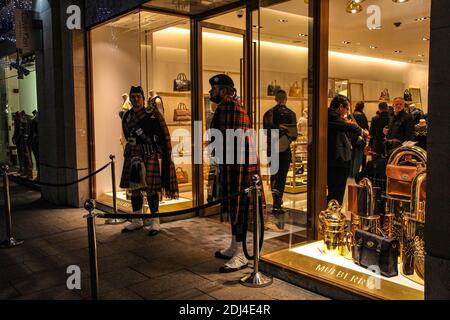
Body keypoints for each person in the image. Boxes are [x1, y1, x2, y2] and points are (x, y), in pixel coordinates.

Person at [208, 74, 262, 273]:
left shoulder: (229, 107)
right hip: (234, 164)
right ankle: (234, 245)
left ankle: (240, 254)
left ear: (222, 91)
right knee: (234, 205)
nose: (211, 93)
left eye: (213, 90)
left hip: (237, 166)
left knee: (238, 206)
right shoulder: (233, 106)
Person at [120, 86, 179, 236]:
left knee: (152, 189)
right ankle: (136, 220)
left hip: (149, 154)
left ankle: (155, 222)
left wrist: (158, 149)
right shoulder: (127, 116)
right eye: (133, 97)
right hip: (133, 155)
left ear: (143, 99)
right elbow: (127, 135)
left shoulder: (152, 114)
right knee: (135, 189)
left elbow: (162, 133)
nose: (135, 99)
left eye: (138, 96)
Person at [327, 95, 367, 204]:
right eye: (347, 108)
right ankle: (333, 212)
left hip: (335, 159)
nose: (347, 112)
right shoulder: (331, 116)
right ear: (340, 107)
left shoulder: (333, 116)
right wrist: (361, 131)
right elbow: (348, 126)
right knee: (337, 190)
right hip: (336, 160)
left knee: (336, 189)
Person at [263, 90, 298, 215]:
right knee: (282, 177)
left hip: (272, 148)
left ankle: (275, 202)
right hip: (284, 149)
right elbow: (294, 136)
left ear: (275, 98)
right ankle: (278, 203)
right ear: (286, 99)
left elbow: (265, 133)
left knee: (274, 176)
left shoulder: (268, 113)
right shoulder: (291, 114)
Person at [349, 101, 369, 177]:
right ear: (362, 107)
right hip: (359, 138)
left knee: (352, 157)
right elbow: (365, 128)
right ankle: (355, 174)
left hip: (351, 138)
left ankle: (350, 174)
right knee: (358, 157)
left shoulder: (351, 115)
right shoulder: (362, 115)